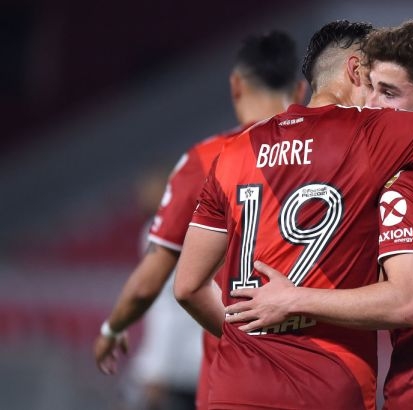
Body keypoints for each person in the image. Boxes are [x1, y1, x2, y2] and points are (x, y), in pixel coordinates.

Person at [174, 19, 413, 409]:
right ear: (356, 70)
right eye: (376, 81)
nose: (378, 98)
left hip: (235, 389)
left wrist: (245, 338)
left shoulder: (234, 152)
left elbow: (188, 287)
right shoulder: (375, 133)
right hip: (328, 385)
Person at [93, 30, 307, 410]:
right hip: (315, 372)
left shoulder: (208, 159)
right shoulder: (335, 158)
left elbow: (150, 282)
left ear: (236, 85)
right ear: (301, 90)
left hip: (232, 375)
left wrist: (113, 328)